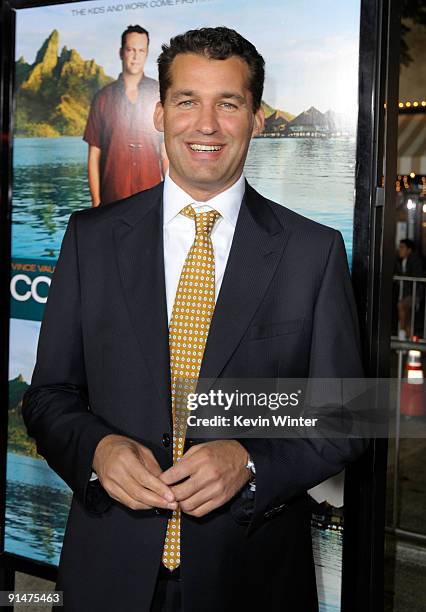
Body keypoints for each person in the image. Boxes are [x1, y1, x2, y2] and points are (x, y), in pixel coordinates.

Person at [23, 27, 365, 611]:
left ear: (256, 118)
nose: (206, 124)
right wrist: (99, 451)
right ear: (159, 113)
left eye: (228, 103)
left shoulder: (314, 251)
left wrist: (252, 464)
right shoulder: (90, 239)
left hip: (251, 580)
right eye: (187, 101)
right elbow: (49, 396)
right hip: (108, 572)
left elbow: (347, 416)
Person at [84, 25, 166, 206]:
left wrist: (170, 200)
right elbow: (93, 156)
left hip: (151, 202)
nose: (136, 56)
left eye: (141, 50)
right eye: (131, 50)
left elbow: (166, 153)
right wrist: (96, 204)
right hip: (111, 201)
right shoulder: (103, 98)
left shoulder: (159, 94)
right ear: (121, 52)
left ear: (146, 54)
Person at [395, 238, 424, 338]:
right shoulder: (401, 261)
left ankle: (402, 334)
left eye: (402, 247)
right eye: (399, 247)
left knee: (401, 306)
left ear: (409, 250)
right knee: (407, 318)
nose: (400, 250)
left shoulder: (415, 260)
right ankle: (405, 341)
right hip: (406, 294)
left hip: (415, 294)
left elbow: (417, 277)